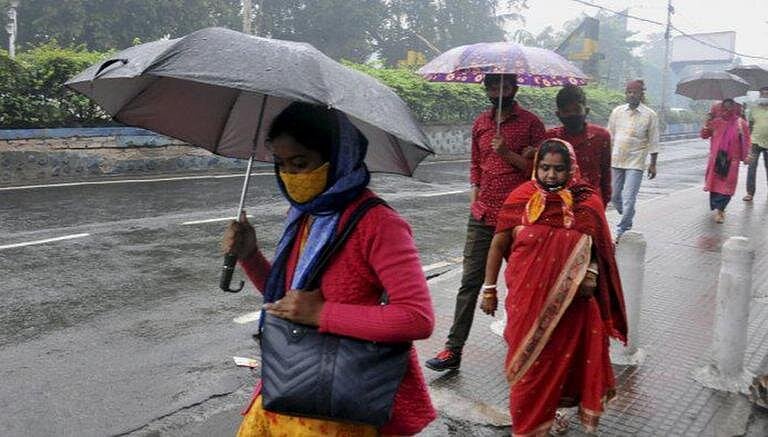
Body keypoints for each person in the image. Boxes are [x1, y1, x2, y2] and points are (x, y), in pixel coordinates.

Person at [222, 102, 436, 436]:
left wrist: (322, 313)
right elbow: (290, 302)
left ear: (337, 157)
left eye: (301, 163)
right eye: (281, 165)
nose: (291, 176)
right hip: (290, 384)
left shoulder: (378, 224)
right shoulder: (305, 215)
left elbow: (416, 318)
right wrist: (250, 255)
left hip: (342, 401)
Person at [481, 139, 627, 436]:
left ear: (571, 168)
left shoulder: (586, 202)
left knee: (559, 365)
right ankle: (529, 426)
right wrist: (488, 288)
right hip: (525, 301)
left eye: (558, 169)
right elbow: (498, 244)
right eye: (545, 168)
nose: (550, 175)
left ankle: (547, 419)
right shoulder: (521, 197)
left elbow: (600, 250)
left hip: (571, 306)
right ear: (536, 167)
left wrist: (590, 271)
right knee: (527, 367)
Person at [426, 73, 546, 372]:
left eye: (505, 85)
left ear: (515, 88)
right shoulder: (481, 122)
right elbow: (476, 165)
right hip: (482, 216)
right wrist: (474, 197)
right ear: (487, 89)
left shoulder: (532, 124)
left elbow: (539, 172)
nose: (499, 91)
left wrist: (507, 153)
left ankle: (527, 347)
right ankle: (453, 350)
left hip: (519, 217)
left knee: (522, 284)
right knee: (469, 283)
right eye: (493, 86)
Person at [607, 79, 660, 240]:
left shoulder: (650, 115)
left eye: (634, 92)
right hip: (616, 160)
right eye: (629, 92)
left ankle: (623, 228)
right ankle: (628, 214)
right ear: (626, 94)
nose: (631, 95)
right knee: (615, 196)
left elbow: (653, 140)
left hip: (635, 162)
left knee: (629, 197)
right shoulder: (617, 112)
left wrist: (653, 165)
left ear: (641, 94)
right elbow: (609, 135)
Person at [546, 84, 612, 207]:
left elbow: (605, 171)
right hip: (558, 202)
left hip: (591, 201)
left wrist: (604, 201)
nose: (572, 115)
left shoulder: (601, 136)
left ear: (586, 110)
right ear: (558, 114)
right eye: (566, 111)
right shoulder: (551, 138)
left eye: (577, 110)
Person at [701, 99, 752, 223]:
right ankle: (717, 207)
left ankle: (721, 210)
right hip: (716, 159)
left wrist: (746, 155)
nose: (728, 109)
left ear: (735, 107)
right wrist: (706, 123)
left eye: (731, 106)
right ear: (721, 107)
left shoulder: (741, 123)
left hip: (732, 161)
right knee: (714, 186)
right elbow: (704, 135)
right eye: (725, 106)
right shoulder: (716, 122)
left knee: (727, 187)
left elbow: (746, 140)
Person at [744, 86, 768, 201]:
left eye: (767, 94)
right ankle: (750, 193)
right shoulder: (754, 109)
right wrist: (748, 141)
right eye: (762, 94)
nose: (764, 96)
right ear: (759, 96)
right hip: (755, 142)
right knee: (751, 168)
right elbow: (750, 126)